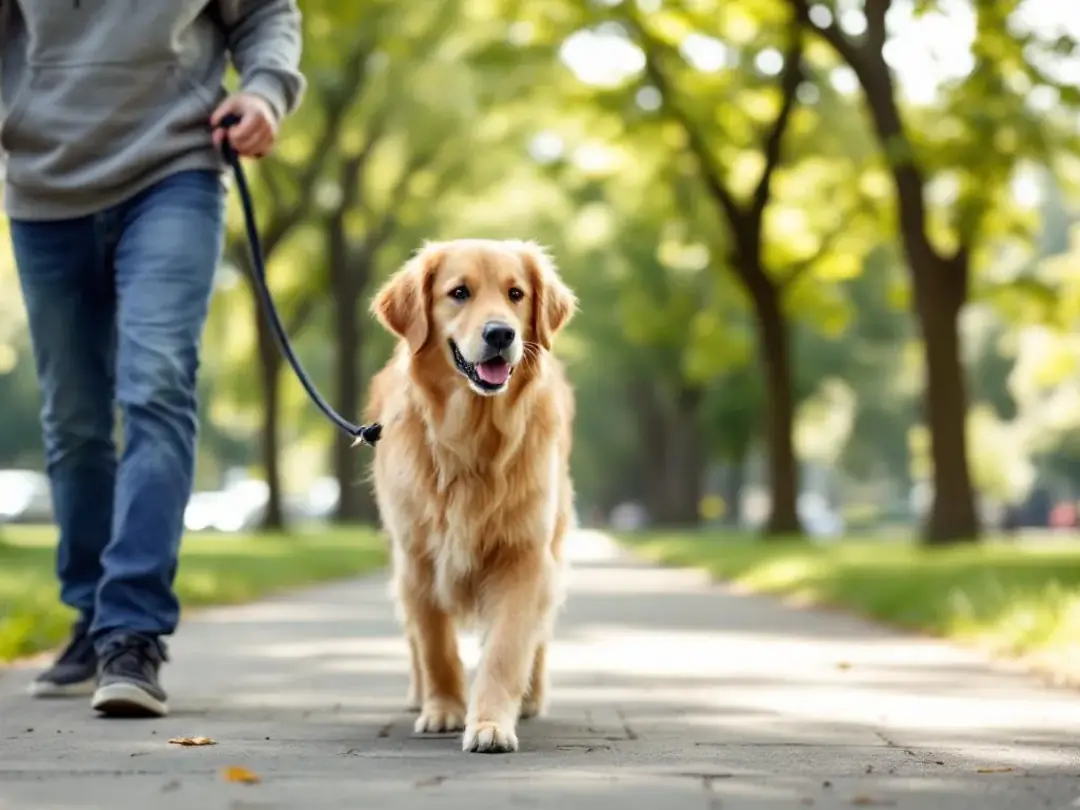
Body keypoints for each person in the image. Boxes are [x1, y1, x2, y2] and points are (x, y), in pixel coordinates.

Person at [1, 0, 305, 718]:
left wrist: (264, 90)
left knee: (157, 383)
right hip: (44, 183)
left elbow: (265, 13)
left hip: (174, 167)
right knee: (73, 416)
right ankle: (89, 612)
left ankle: (132, 628)